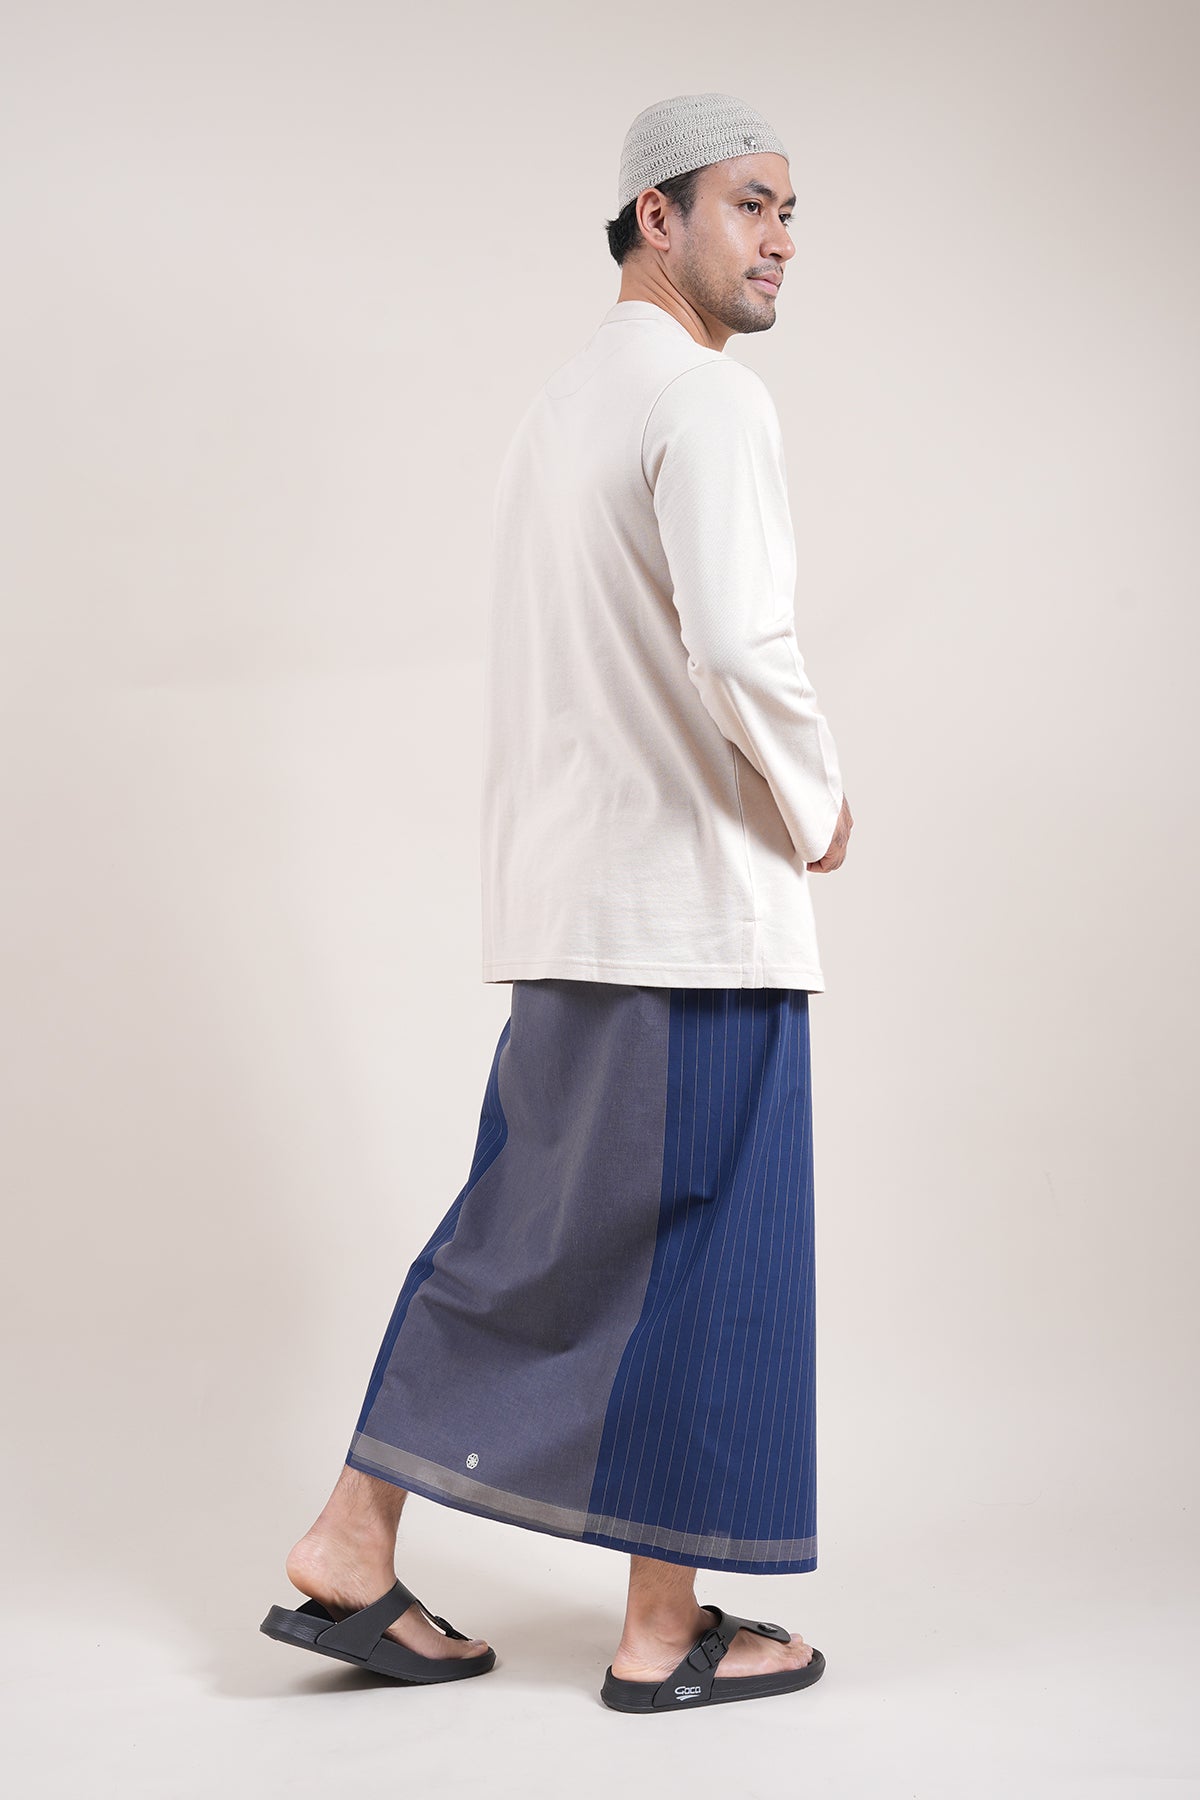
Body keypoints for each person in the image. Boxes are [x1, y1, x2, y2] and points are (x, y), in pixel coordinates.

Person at [260, 91, 853, 1715]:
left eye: (791, 210)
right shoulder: (706, 401)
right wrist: (820, 799)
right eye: (748, 203)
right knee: (704, 1256)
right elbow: (739, 643)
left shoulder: (564, 407)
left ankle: (358, 1538)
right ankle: (653, 1631)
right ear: (656, 217)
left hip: (576, 904)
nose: (780, 238)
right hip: (688, 913)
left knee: (535, 1238)